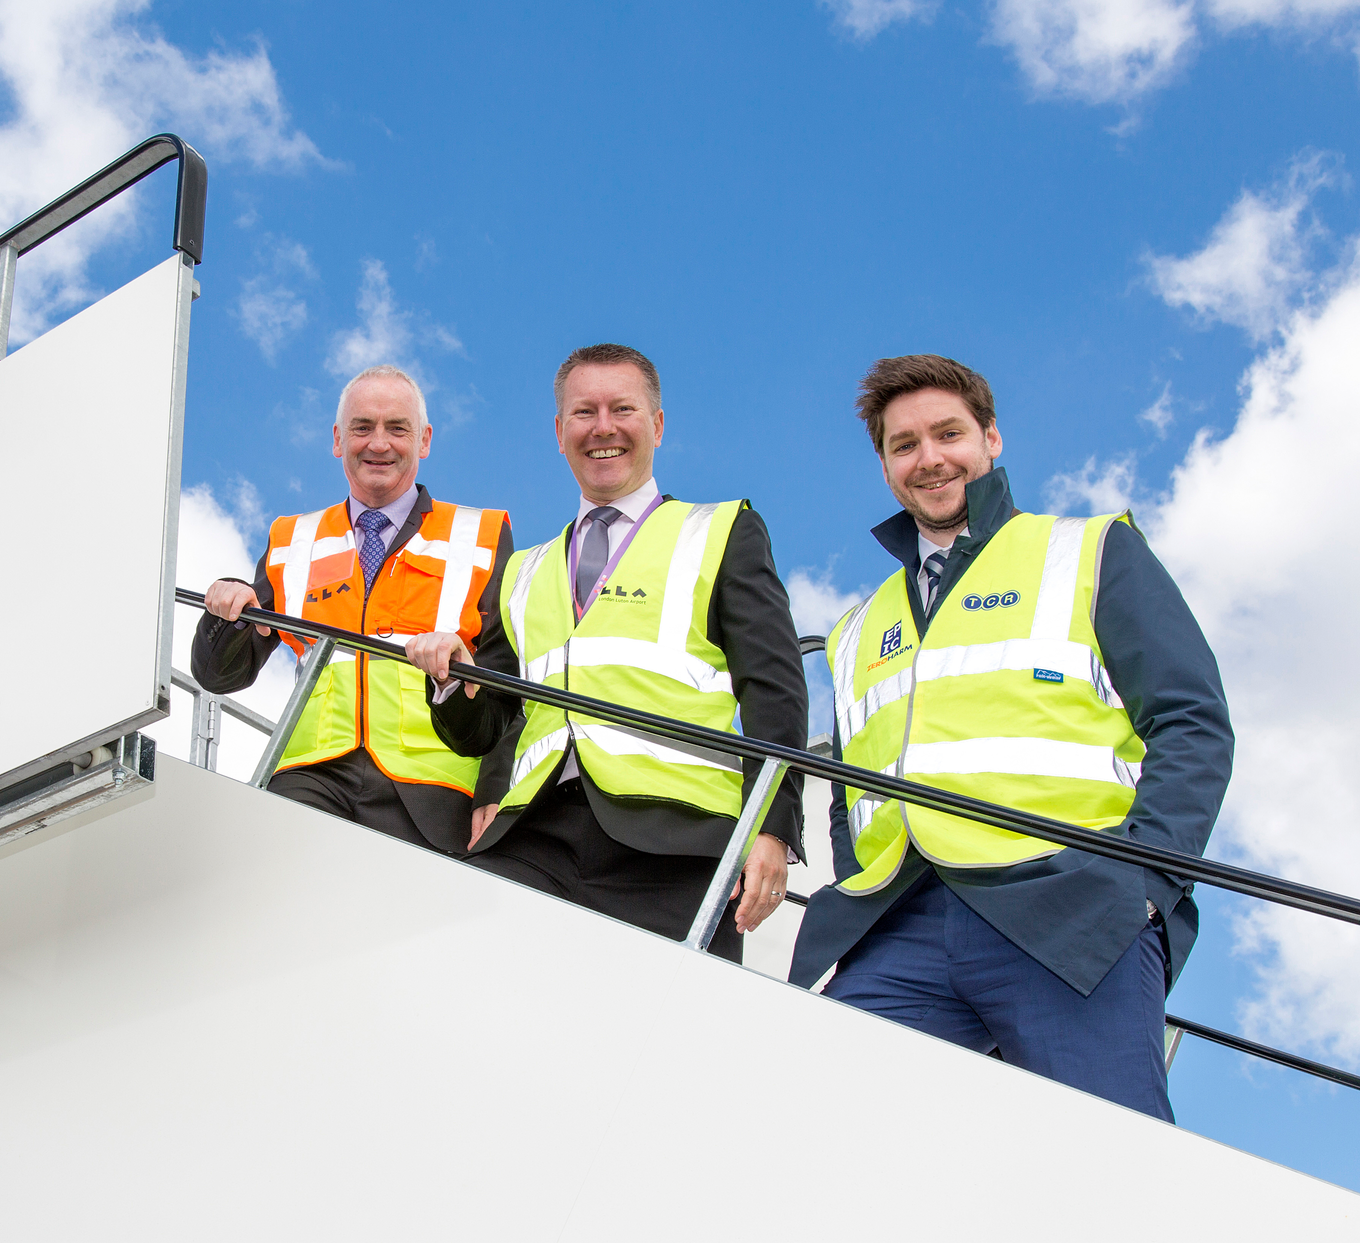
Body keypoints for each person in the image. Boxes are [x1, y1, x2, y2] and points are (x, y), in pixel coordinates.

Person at [789, 354, 1232, 1119]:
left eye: (948, 433)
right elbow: (849, 793)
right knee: (826, 1126)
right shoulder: (858, 627)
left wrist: (1143, 889)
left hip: (1069, 908)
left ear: (991, 438)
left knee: (1108, 1155)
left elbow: (1192, 720)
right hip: (899, 923)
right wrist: (859, 888)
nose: (929, 458)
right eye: (904, 445)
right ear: (886, 466)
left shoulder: (1089, 550)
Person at [405, 343, 809, 961]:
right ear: (559, 432)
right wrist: (453, 679)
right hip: (534, 836)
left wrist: (772, 827)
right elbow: (485, 728)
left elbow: (773, 690)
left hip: (679, 843)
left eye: (622, 409)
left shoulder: (721, 531)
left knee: (664, 1020)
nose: (603, 428)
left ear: (658, 424)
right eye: (583, 412)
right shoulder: (522, 570)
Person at [192, 364, 513, 853]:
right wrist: (225, 613)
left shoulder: (482, 535)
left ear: (424, 440)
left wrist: (495, 788)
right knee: (273, 881)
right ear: (338, 440)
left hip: (434, 787)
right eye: (362, 428)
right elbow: (220, 677)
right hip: (310, 775)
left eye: (397, 428)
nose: (378, 444)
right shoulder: (293, 539)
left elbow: (510, 679)